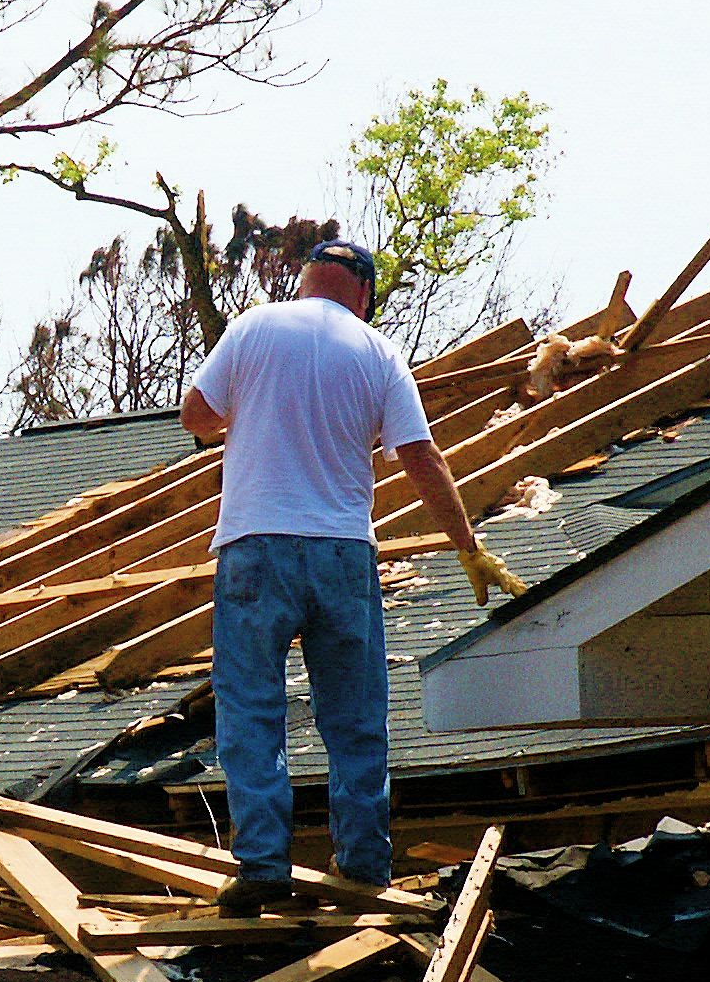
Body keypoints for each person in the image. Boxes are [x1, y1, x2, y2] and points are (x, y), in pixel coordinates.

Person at [179, 239, 525, 914]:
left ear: (305, 278)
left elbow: (196, 415)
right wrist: (468, 546)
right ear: (363, 293)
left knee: (252, 709)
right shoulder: (377, 351)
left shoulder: (253, 326)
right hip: (343, 554)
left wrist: (246, 431)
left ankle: (263, 866)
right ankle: (366, 863)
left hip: (257, 545)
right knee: (356, 715)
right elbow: (420, 456)